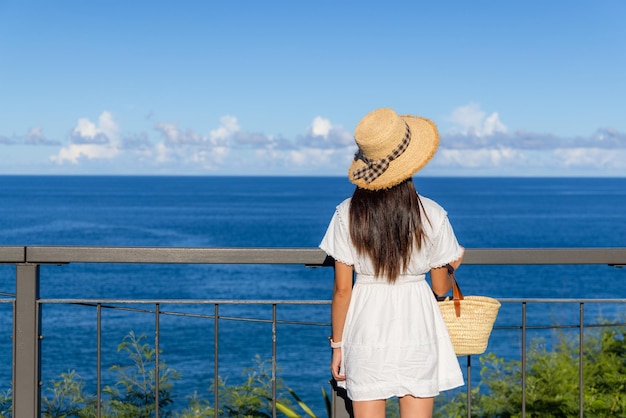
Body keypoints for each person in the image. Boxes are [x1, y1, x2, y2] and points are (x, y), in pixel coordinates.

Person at [319, 108, 465, 418]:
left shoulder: (347, 213)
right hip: (417, 323)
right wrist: (454, 265)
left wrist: (338, 346)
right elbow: (440, 289)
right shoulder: (433, 214)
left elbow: (342, 291)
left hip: (367, 323)